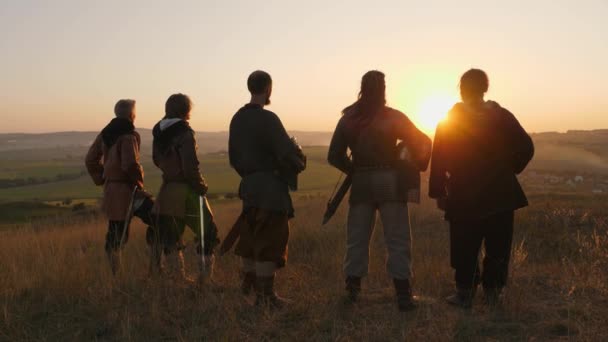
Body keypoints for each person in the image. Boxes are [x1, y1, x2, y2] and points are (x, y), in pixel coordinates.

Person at [429, 69, 534, 308]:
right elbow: (527, 146)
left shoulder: (451, 119)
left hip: (464, 193)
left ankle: (464, 292)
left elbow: (439, 157)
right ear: (485, 88)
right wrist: (510, 169)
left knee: (464, 244)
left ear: (462, 89)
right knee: (498, 245)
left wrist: (438, 192)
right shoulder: (502, 116)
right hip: (501, 193)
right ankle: (493, 293)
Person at [327, 70, 432, 311]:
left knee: (357, 239)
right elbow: (422, 142)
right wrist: (404, 159)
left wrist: (354, 169)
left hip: (362, 183)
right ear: (383, 89)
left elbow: (334, 156)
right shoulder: (394, 118)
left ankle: (352, 292)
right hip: (390, 182)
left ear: (362, 88)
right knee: (397, 239)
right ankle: (403, 296)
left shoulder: (348, 120)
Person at [225, 70, 306, 307]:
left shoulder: (236, 119)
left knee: (250, 236)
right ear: (268, 89)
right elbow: (288, 154)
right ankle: (266, 297)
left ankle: (248, 288)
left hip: (248, 185)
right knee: (270, 238)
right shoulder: (269, 119)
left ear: (250, 87)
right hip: (271, 187)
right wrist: (299, 157)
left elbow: (233, 158)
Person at [151, 93, 219, 283]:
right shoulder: (185, 133)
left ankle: (177, 279)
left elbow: (157, 161)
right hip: (187, 191)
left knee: (171, 238)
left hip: (167, 190)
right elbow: (190, 167)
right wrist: (201, 186)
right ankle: (205, 279)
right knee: (208, 233)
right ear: (186, 110)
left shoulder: (158, 134)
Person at [85, 99, 155, 274]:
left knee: (115, 235)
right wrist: (139, 184)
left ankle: (116, 275)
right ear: (132, 115)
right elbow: (130, 164)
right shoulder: (128, 135)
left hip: (111, 191)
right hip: (130, 191)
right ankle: (157, 267)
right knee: (160, 221)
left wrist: (103, 177)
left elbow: (90, 160)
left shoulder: (105, 134)